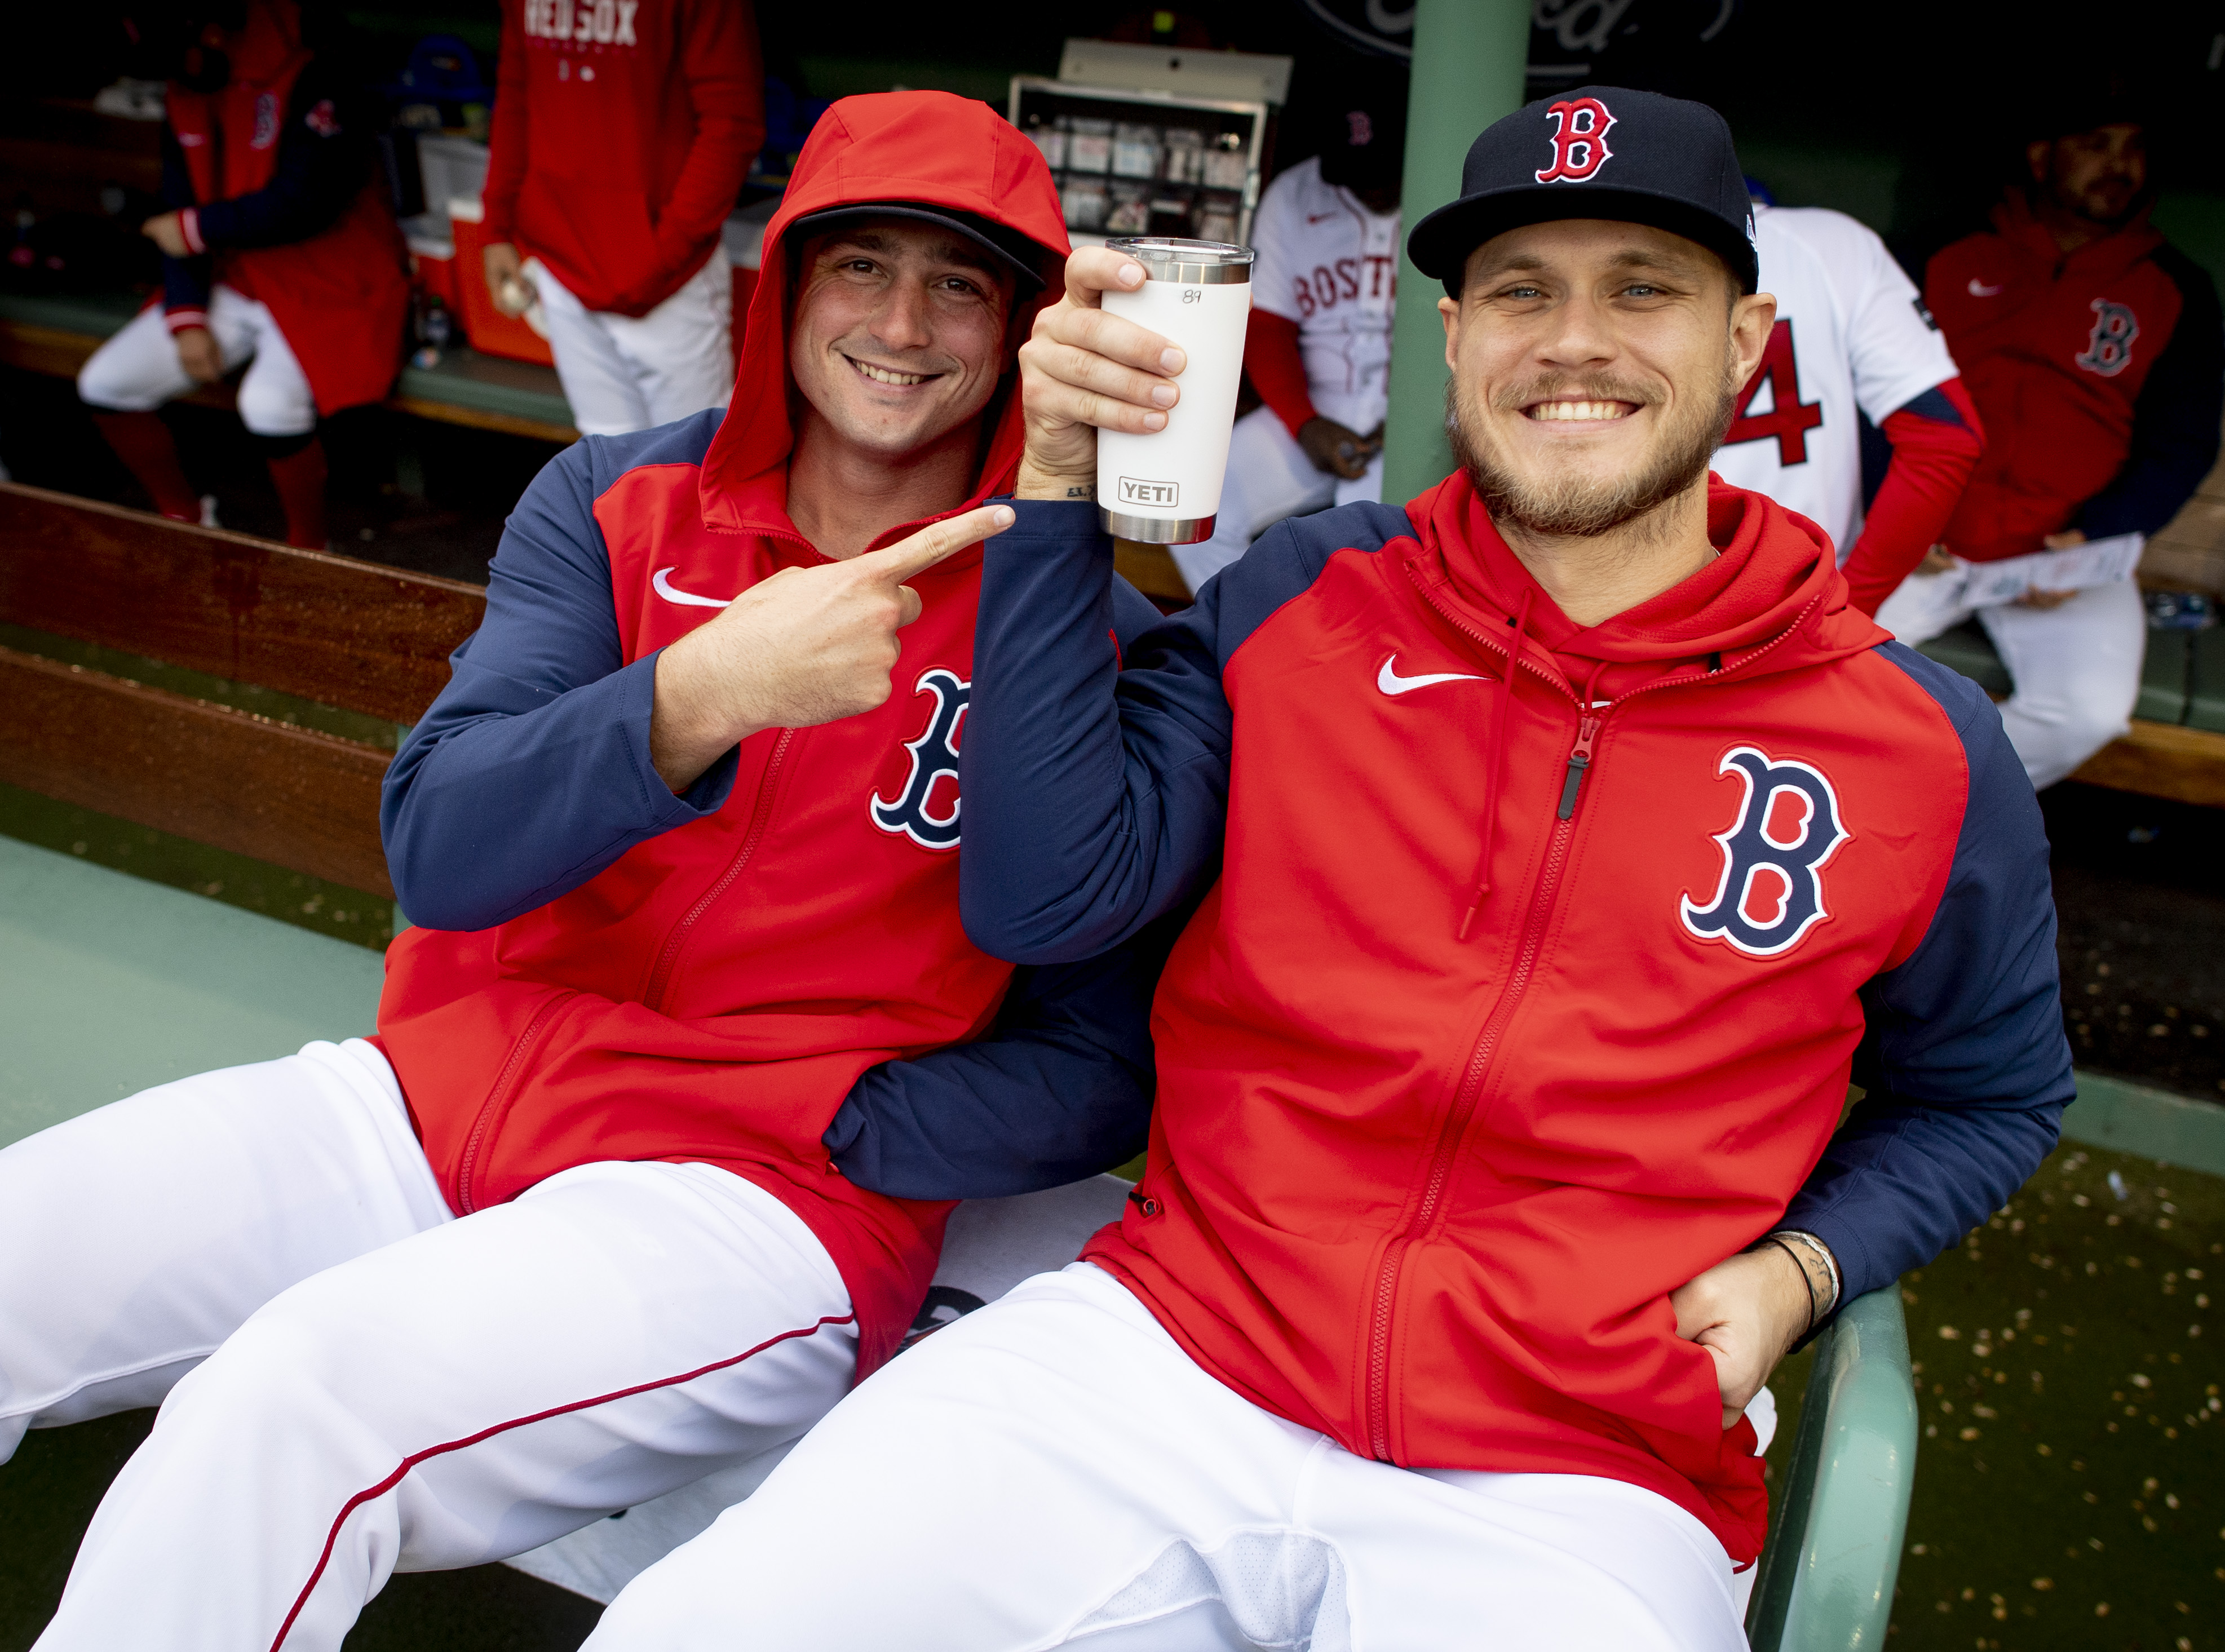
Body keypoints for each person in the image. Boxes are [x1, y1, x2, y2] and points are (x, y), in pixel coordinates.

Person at [582, 88, 2072, 1651]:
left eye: (1641, 286)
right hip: (1173, 1349)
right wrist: (1052, 497)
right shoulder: (1299, 597)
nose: (1573, 340)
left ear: (1746, 339)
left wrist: (1801, 1269)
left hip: (1576, 1469)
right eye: (1519, 289)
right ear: (1451, 335)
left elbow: (1988, 1094)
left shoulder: (1915, 744)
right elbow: (1048, 900)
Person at [1, 92, 1171, 1652]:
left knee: (288, 1403)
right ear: (783, 290)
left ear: (1023, 327)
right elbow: (443, 844)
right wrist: (700, 694)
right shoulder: (621, 500)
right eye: (860, 266)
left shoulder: (1092, 634)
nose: (901, 322)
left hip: (740, 1200)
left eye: (960, 283)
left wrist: (832, 1115)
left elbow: (1100, 1064)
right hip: (438, 1095)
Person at [1888, 104, 2225, 789]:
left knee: (2085, 716)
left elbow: (2183, 441)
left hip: (2060, 550)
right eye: (2095, 144)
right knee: (1793, 668)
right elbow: (1867, 397)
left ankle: (1910, 811)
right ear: (2042, 158)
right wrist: (1894, 511)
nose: (2119, 166)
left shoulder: (2175, 287)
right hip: (1919, 536)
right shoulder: (1937, 253)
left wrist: (2094, 538)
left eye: (2134, 147)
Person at [77, 0, 409, 548]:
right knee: (107, 382)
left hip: (334, 281)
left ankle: (309, 547)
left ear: (210, 31)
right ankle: (184, 521)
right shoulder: (186, 90)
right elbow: (175, 210)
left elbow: (308, 200)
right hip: (242, 277)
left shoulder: (311, 72)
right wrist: (187, 317)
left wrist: (193, 228)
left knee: (268, 402)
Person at [478, 0, 763, 436]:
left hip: (669, 287)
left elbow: (732, 123)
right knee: (608, 468)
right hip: (561, 265)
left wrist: (662, 255)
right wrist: (495, 227)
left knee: (691, 473)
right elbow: (518, 93)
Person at [1176, 87, 1406, 595]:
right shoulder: (1295, 194)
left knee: (1366, 545)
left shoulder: (1447, 187)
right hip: (1321, 403)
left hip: (1416, 412)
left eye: (1383, 171)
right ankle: (1249, 639)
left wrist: (1420, 415)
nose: (1370, 188)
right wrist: (1304, 423)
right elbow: (1268, 327)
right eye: (1356, 172)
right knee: (1194, 501)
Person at [1709, 197, 1983, 617]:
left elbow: (1942, 440)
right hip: (1789, 602)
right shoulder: (1827, 245)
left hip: (1608, 603)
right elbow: (1944, 437)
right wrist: (1848, 609)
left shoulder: (1578, 240)